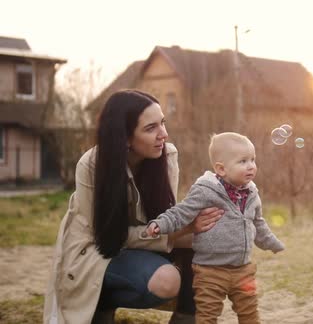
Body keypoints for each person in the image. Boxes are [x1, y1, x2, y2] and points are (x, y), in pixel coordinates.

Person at [43, 89, 225, 324]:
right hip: (98, 250)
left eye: (163, 123)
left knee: (209, 240)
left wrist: (199, 224)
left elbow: (163, 217)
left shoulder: (167, 156)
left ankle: (187, 319)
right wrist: (180, 232)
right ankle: (101, 301)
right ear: (125, 137)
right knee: (167, 280)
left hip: (142, 240)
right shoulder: (91, 165)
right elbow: (107, 237)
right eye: (151, 128)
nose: (164, 134)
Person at [145, 132, 285, 324]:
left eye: (253, 160)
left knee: (250, 312)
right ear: (221, 169)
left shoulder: (252, 192)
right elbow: (181, 212)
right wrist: (160, 224)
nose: (251, 166)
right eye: (243, 161)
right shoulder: (205, 191)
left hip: (243, 269)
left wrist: (271, 243)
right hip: (209, 271)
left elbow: (258, 223)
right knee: (207, 315)